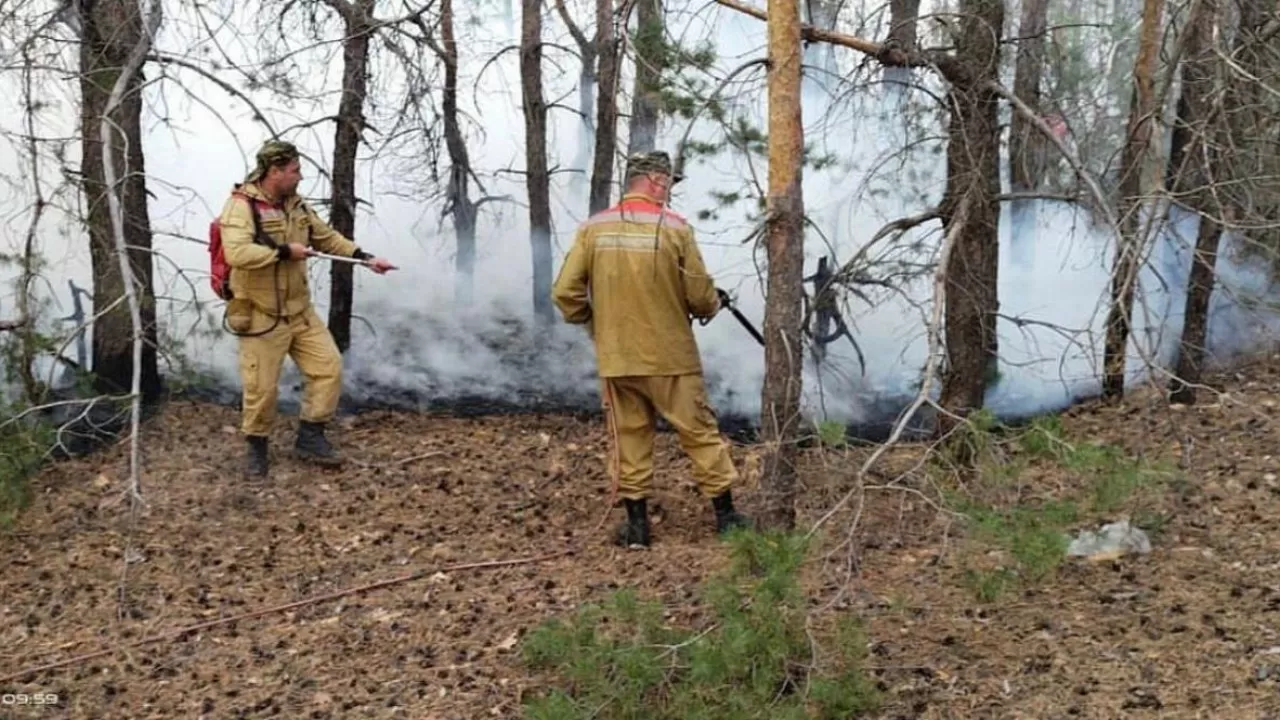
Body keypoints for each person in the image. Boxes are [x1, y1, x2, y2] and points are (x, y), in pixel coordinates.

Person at [550, 150, 750, 547]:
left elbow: (564, 293)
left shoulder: (594, 229)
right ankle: (727, 519)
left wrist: (596, 325)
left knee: (630, 436)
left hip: (618, 358)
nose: (670, 193)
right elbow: (699, 295)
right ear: (656, 180)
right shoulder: (674, 228)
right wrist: (713, 302)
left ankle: (637, 528)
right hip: (671, 356)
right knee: (699, 433)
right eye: (669, 184)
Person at [217, 139, 396, 478]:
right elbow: (236, 254)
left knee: (328, 369)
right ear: (275, 171)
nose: (300, 177)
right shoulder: (241, 207)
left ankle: (310, 437)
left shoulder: (297, 205)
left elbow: (326, 238)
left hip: (300, 312)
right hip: (261, 315)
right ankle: (256, 449)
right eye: (294, 171)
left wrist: (366, 258)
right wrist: (285, 251)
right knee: (262, 388)